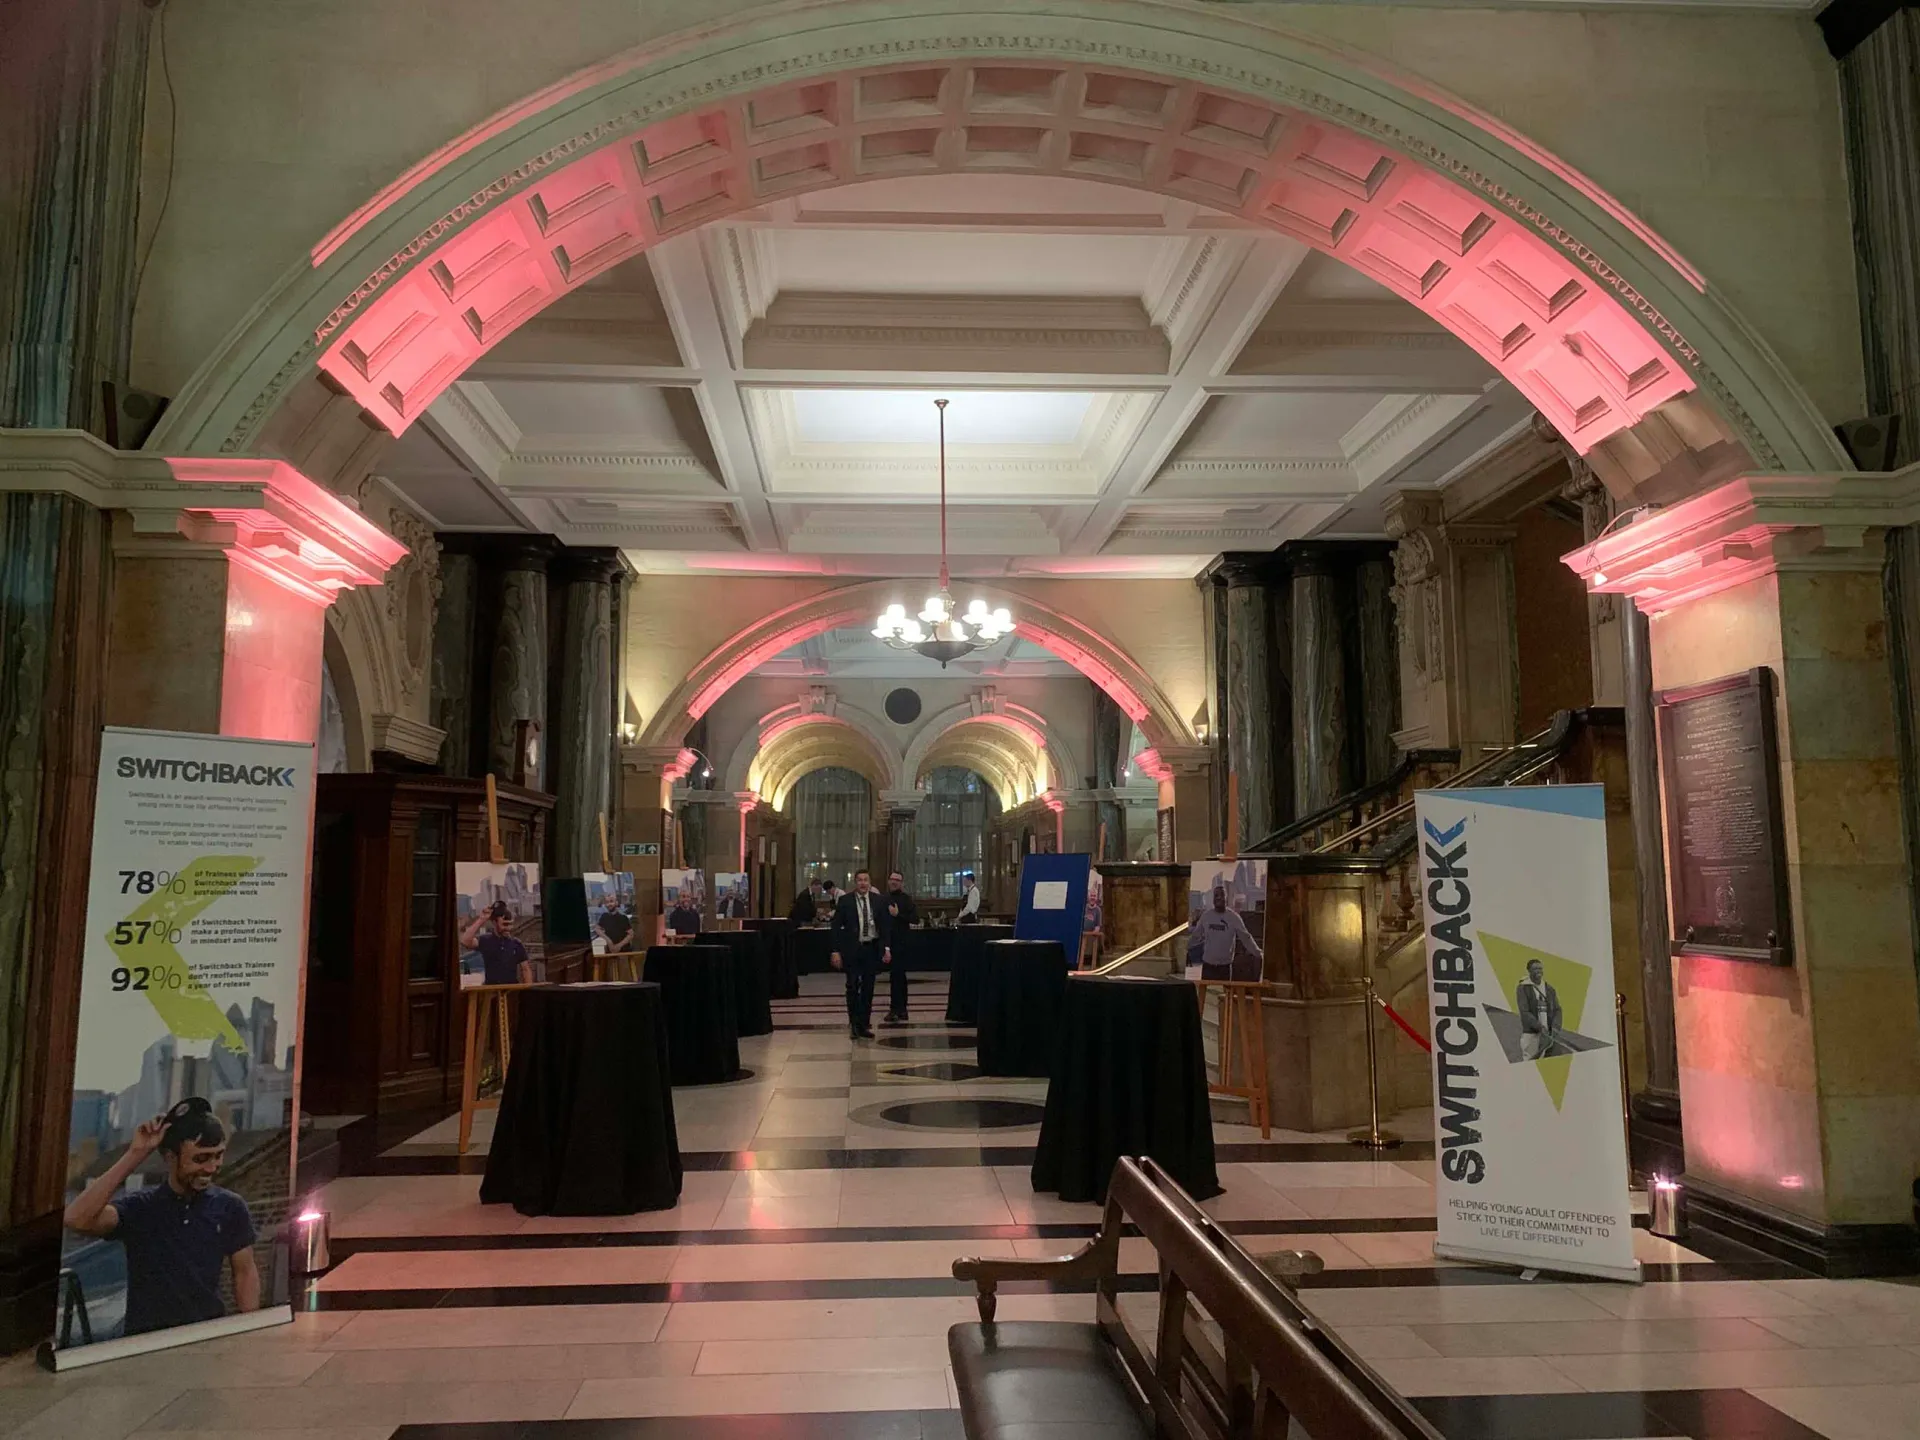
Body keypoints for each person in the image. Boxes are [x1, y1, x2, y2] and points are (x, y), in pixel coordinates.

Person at [63, 1097, 260, 1338]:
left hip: (207, 1341)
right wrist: (137, 1153)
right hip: (146, 1345)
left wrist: (250, 1333)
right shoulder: (141, 1209)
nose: (211, 1167)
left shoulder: (230, 1207)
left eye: (217, 1156)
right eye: (200, 1158)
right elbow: (76, 1218)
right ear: (170, 1157)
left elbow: (245, 1272)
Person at [829, 869, 893, 1038]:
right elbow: (835, 927)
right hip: (852, 949)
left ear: (870, 883)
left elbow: (885, 927)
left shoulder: (879, 901)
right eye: (860, 880)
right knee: (852, 986)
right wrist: (835, 950)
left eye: (866, 880)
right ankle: (854, 1024)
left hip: (871, 949)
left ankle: (864, 1024)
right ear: (855, 883)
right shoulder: (845, 901)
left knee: (868, 988)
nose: (863, 883)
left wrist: (886, 948)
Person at [1188, 884, 1262, 980]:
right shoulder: (1206, 916)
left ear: (1226, 898)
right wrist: (1187, 947)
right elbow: (1196, 936)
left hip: (1225, 967)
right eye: (1216, 895)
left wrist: (1257, 953)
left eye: (1221, 895)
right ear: (1213, 898)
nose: (1219, 898)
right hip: (1208, 966)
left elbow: (1246, 937)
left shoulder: (1233, 917)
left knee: (1227, 994)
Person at [460, 901, 532, 984]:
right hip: (491, 990)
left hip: (511, 991)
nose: (508, 928)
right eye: (504, 924)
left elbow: (526, 969)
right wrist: (482, 919)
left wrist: (528, 991)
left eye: (510, 924)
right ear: (494, 923)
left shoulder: (516, 944)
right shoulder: (485, 940)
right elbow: (465, 941)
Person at [881, 870, 919, 1025]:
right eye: (892, 879)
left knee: (899, 978)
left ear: (901, 883)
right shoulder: (883, 899)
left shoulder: (906, 899)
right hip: (887, 943)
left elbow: (915, 919)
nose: (894, 882)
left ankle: (898, 1009)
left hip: (901, 944)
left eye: (897, 880)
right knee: (895, 977)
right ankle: (899, 1009)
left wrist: (898, 915)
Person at [1517, 957, 1563, 1060]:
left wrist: (1555, 1027)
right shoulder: (1523, 988)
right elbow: (1524, 1012)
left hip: (1549, 1034)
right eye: (1535, 969)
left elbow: (1557, 1009)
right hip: (1531, 1034)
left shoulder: (1549, 989)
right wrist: (1540, 1027)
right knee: (1530, 1062)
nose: (1539, 971)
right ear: (1529, 971)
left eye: (1540, 969)